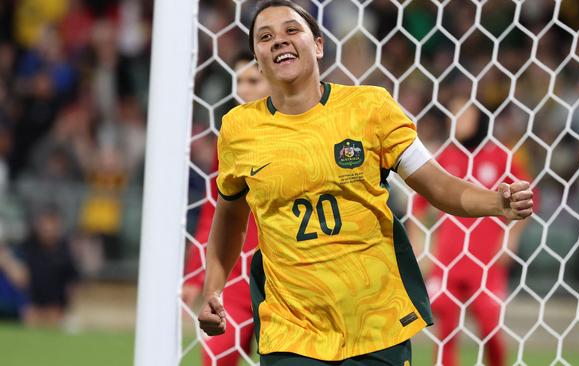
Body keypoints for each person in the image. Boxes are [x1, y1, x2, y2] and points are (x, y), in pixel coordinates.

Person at [198, 1, 534, 364]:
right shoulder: (238, 128)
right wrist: (213, 290)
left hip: (376, 324)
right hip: (290, 329)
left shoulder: (371, 108)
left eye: (292, 30)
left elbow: (437, 185)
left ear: (319, 45)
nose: (279, 40)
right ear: (257, 59)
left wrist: (496, 203)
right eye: (265, 37)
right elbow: (229, 215)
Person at [412, 99, 532, 366]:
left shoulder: (500, 156)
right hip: (449, 260)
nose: (456, 121)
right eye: (453, 115)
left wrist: (511, 238)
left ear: (479, 118)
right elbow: (418, 207)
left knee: (491, 328)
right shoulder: (444, 157)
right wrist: (420, 245)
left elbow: (527, 197)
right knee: (446, 330)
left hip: (487, 260)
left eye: (463, 115)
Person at [183, 51, 270, 366]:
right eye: (238, 81)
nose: (242, 90)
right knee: (217, 359)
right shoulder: (231, 138)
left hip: (283, 277)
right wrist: (195, 275)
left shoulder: (300, 137)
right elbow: (212, 211)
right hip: (234, 279)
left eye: (252, 80)